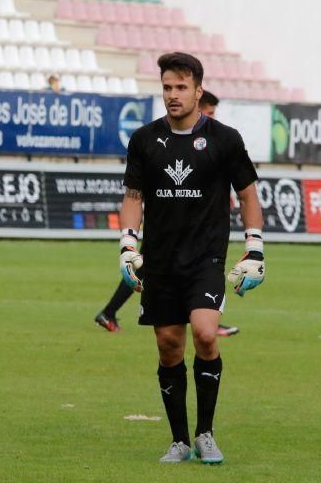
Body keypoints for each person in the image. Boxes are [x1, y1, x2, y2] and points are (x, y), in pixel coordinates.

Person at [117, 52, 265, 463]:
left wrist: (255, 247)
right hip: (160, 261)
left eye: (181, 87)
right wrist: (128, 244)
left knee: (204, 333)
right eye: (167, 87)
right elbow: (133, 197)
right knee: (168, 345)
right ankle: (180, 440)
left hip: (205, 260)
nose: (172, 95)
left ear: (198, 90)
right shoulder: (144, 140)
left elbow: (248, 195)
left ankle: (206, 433)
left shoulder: (225, 139)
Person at [94, 89, 240, 337]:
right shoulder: (163, 139)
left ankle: (109, 312)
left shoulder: (214, 140)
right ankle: (205, 318)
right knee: (146, 268)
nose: (213, 118)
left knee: (144, 269)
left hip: (187, 231)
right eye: (210, 112)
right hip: (170, 227)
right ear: (198, 107)